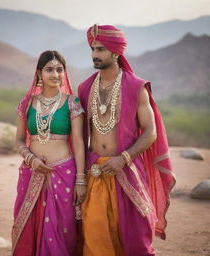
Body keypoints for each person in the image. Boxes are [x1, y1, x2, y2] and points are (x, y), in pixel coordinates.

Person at [78, 24, 176, 256]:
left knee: (134, 236)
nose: (94, 55)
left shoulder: (135, 87)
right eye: (92, 49)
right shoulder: (85, 88)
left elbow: (150, 132)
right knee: (95, 235)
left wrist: (123, 158)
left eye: (100, 50)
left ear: (116, 52)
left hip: (126, 169)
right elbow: (78, 136)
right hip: (95, 172)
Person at [12, 50, 86, 256]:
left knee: (64, 229)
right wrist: (30, 158)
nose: (55, 74)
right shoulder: (27, 104)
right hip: (32, 172)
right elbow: (18, 140)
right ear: (39, 73)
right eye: (50, 69)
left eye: (60, 70)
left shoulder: (73, 103)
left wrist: (81, 180)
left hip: (64, 173)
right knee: (28, 226)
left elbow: (79, 143)